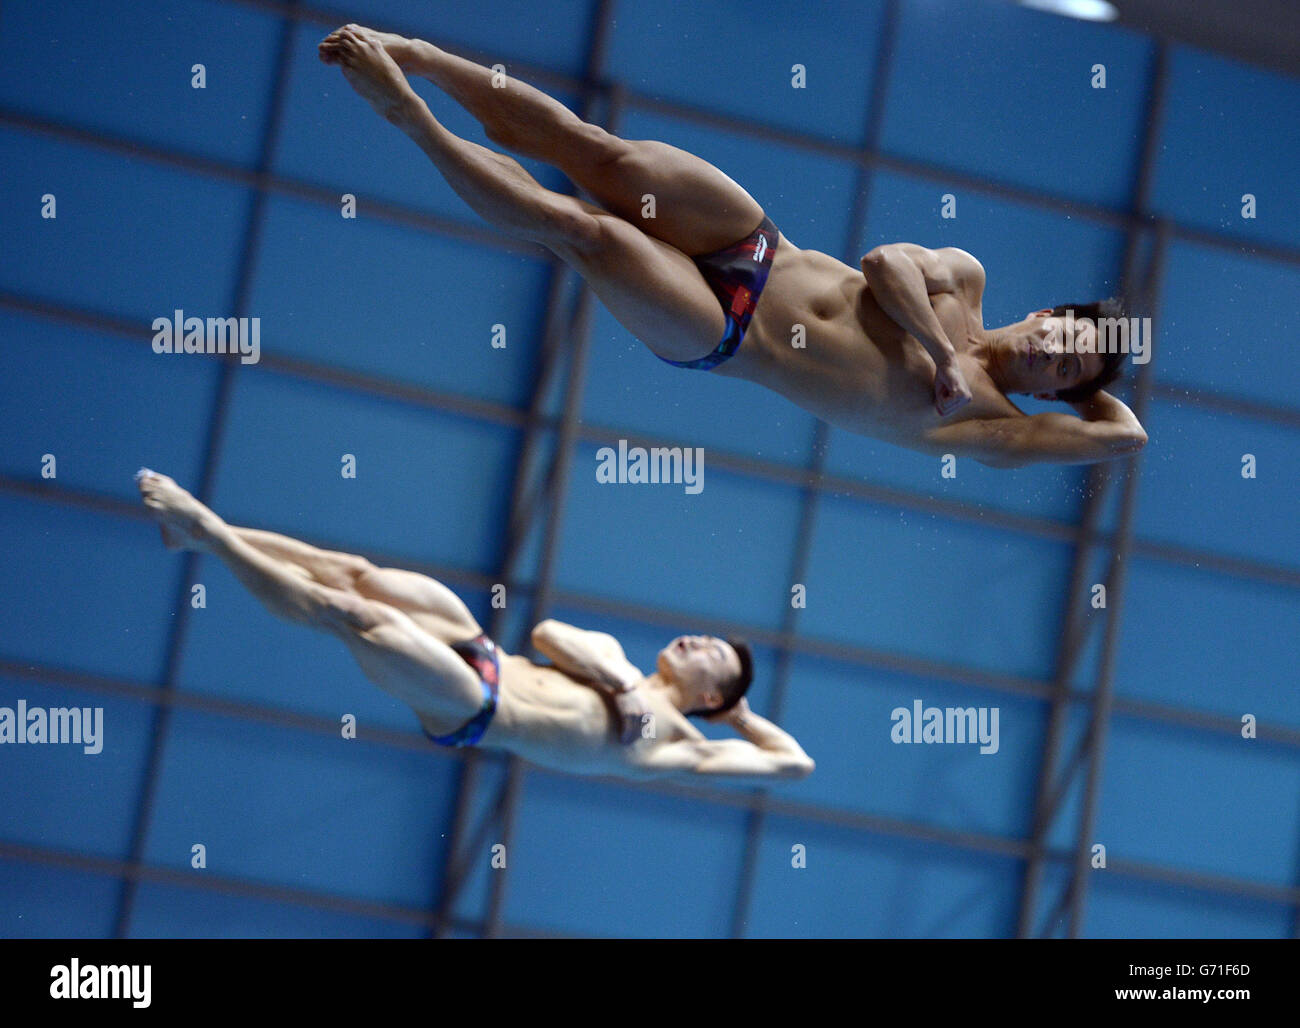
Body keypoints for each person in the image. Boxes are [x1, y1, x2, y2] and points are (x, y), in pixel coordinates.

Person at [317, 24, 1148, 469]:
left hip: (724, 330)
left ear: (1056, 397)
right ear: (1046, 312)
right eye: (1066, 337)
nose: (1054, 355)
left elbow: (1128, 438)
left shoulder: (995, 426)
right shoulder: (964, 282)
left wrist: (1089, 387)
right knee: (597, 152)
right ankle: (422, 56)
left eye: (1068, 372)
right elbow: (885, 264)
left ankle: (405, 113)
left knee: (579, 228)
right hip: (757, 246)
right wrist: (937, 352)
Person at [134, 470, 813, 782]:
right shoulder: (616, 660)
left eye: (713, 657)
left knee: (350, 616)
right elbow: (548, 636)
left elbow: (794, 764)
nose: (697, 640)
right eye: (705, 636)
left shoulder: (680, 745)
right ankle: (192, 535)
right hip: (483, 650)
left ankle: (207, 534)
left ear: (712, 697)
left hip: (479, 707)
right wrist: (621, 687)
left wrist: (743, 718)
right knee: (351, 574)